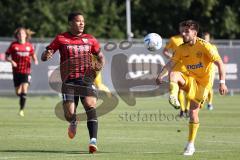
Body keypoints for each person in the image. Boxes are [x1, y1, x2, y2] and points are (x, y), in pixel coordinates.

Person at [156, 20, 228, 156]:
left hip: (203, 85)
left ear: (194, 33)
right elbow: (171, 63)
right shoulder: (181, 48)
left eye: (186, 31)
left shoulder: (205, 46)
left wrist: (222, 82)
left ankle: (190, 145)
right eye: (182, 31)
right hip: (190, 79)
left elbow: (219, 63)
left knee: (193, 114)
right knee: (174, 74)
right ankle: (173, 97)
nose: (183, 33)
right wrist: (160, 75)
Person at [41, 11, 105, 154]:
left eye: (83, 21)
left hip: (86, 80)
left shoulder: (90, 39)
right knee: (69, 114)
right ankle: (73, 121)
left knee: (90, 105)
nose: (81, 23)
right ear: (70, 23)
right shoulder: (61, 38)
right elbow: (44, 56)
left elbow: (100, 57)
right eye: (78, 21)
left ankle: (93, 141)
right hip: (69, 81)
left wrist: (98, 67)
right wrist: (46, 55)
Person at [5, 27, 38, 117]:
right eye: (19, 34)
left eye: (23, 34)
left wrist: (35, 60)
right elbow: (6, 56)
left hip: (26, 71)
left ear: (26, 35)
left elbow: (33, 54)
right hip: (16, 71)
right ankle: (22, 97)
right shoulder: (13, 45)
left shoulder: (29, 45)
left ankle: (21, 110)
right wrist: (11, 61)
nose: (21, 35)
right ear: (17, 35)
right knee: (18, 92)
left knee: (24, 88)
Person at [162, 29, 190, 117]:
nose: (183, 31)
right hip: (178, 68)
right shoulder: (173, 39)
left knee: (189, 91)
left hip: (189, 68)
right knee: (180, 91)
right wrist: (172, 57)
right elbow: (165, 51)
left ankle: (187, 109)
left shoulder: (191, 40)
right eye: (182, 28)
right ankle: (182, 110)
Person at [202, 32, 218, 110]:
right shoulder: (199, 46)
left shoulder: (213, 47)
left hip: (210, 70)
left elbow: (217, 59)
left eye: (206, 38)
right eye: (204, 37)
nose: (205, 39)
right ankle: (202, 101)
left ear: (209, 38)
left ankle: (210, 103)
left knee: (209, 87)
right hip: (201, 70)